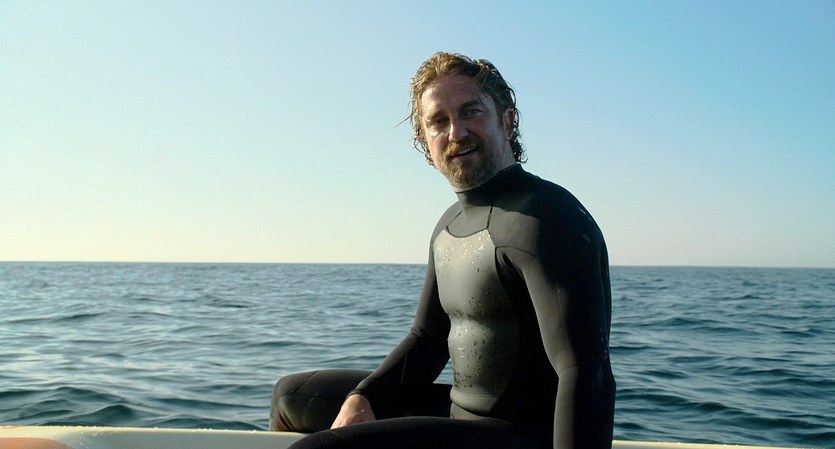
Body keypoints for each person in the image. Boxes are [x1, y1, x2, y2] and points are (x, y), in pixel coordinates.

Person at [270, 52, 615, 449]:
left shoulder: (546, 218)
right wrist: (365, 397)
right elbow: (428, 339)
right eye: (439, 121)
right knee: (290, 397)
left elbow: (585, 371)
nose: (456, 132)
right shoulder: (449, 224)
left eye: (471, 112)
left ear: (508, 121)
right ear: (424, 141)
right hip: (460, 418)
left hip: (524, 436)